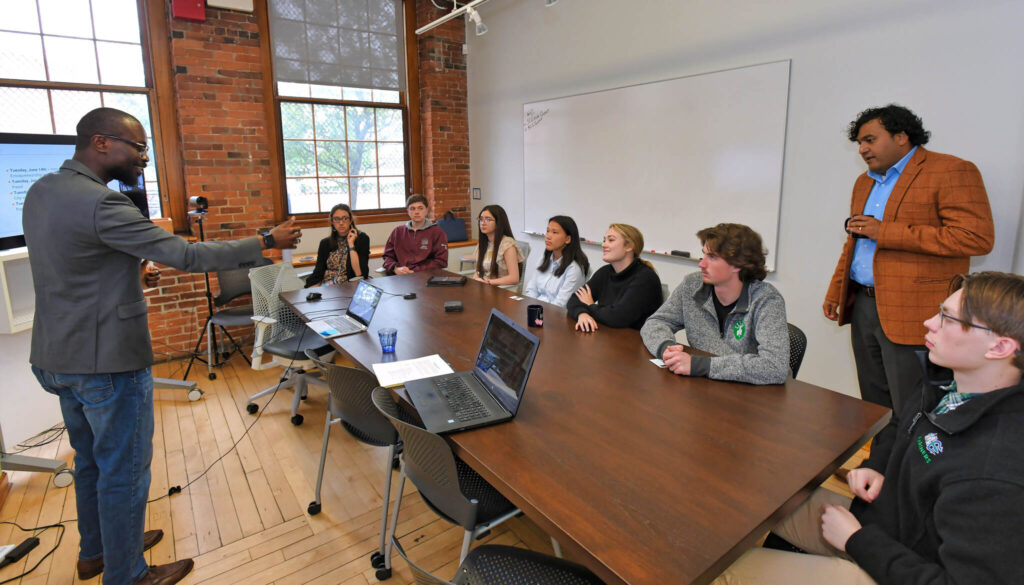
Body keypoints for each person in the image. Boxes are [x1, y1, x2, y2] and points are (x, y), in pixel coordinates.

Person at [23, 107, 301, 585]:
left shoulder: (39, 191)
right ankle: (127, 574)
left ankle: (97, 552)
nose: (144, 159)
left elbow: (75, 265)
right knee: (124, 471)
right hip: (106, 361)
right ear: (102, 143)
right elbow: (188, 255)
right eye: (139, 148)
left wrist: (125, 273)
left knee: (88, 461)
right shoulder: (103, 204)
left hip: (55, 355)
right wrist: (263, 239)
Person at [713, 271, 1024, 585]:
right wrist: (877, 466)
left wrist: (856, 541)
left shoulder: (997, 470)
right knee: (751, 499)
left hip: (889, 565)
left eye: (946, 318)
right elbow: (903, 423)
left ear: (999, 348)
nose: (929, 322)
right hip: (880, 527)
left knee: (720, 570)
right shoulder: (946, 381)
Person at [823, 104, 994, 436]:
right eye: (859, 142)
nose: (862, 150)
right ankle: (879, 468)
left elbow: (976, 238)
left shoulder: (951, 171)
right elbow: (856, 243)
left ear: (901, 137)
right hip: (864, 305)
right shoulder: (864, 182)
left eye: (870, 140)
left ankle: (910, 478)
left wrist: (885, 231)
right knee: (874, 402)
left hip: (916, 312)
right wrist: (836, 290)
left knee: (914, 406)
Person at [641, 223, 789, 384]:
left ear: (738, 264)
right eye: (703, 255)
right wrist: (665, 348)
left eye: (712, 257)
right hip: (705, 386)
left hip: (754, 396)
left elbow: (775, 367)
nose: (701, 264)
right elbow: (656, 322)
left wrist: (699, 365)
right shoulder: (692, 285)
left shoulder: (766, 299)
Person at [566, 223, 661, 332]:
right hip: (608, 337)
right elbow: (574, 299)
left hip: (635, 343)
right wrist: (582, 314)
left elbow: (618, 318)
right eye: (604, 240)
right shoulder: (605, 272)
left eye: (610, 240)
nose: (603, 245)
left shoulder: (645, 278)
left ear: (629, 246)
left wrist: (590, 305)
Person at [523, 215, 589, 305]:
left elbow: (561, 304)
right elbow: (531, 289)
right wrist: (532, 309)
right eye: (547, 231)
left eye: (555, 232)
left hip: (556, 315)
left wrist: (537, 312)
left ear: (568, 239)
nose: (548, 236)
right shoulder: (543, 259)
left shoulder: (574, 269)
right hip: (536, 311)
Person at [305, 203, 370, 287]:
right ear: (332, 221)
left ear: (350, 220)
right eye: (336, 219)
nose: (341, 222)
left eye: (345, 218)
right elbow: (318, 273)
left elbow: (359, 274)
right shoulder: (325, 243)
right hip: (327, 287)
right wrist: (312, 292)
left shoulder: (362, 239)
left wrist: (351, 245)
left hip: (350, 287)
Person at [382, 194, 448, 275]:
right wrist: (395, 268)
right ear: (408, 211)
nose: (416, 212)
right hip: (400, 276)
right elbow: (388, 256)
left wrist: (415, 271)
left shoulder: (437, 232)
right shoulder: (398, 231)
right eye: (412, 209)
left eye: (420, 208)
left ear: (427, 210)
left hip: (425, 276)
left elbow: (441, 261)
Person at [473, 204, 524, 287]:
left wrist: (489, 282)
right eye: (481, 219)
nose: (483, 223)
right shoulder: (483, 243)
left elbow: (514, 278)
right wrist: (476, 278)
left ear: (498, 222)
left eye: (488, 219)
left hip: (501, 290)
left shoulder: (507, 244)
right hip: (485, 287)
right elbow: (478, 271)